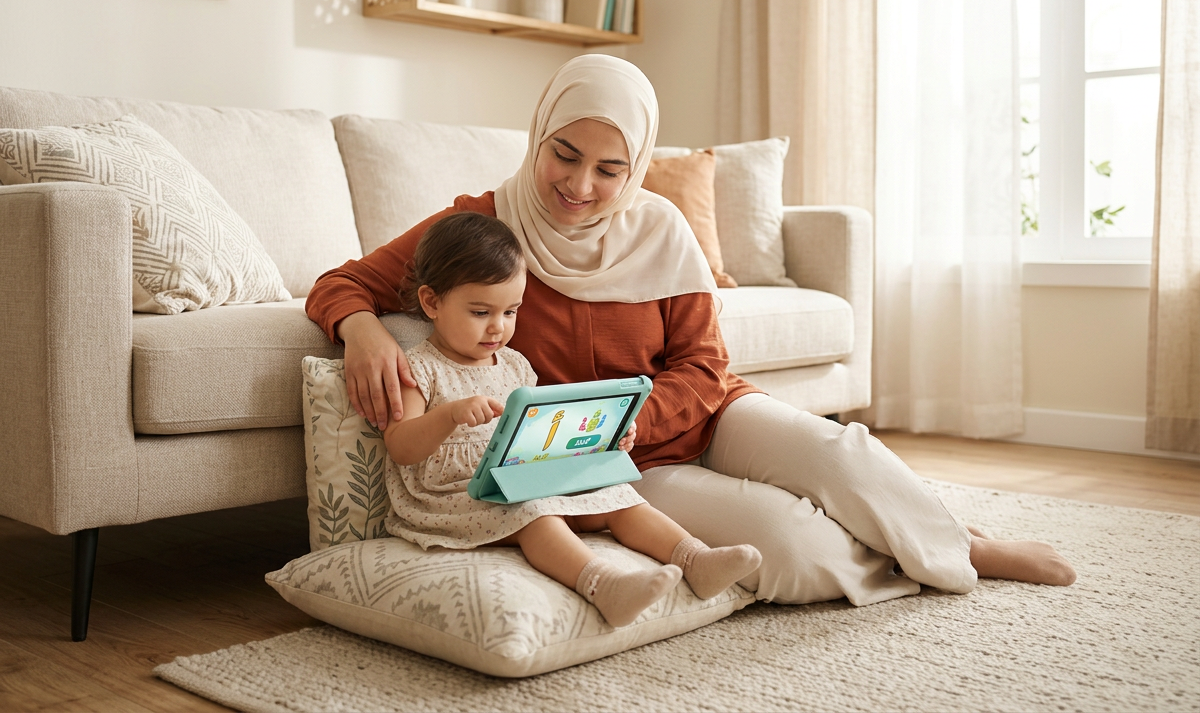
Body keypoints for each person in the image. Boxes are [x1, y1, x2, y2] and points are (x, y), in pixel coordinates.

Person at [307, 53, 1076, 608]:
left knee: (841, 454)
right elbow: (342, 283)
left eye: (611, 168)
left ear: (636, 167)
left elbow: (705, 366)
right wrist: (364, 330)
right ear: (538, 137)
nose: (581, 187)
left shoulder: (662, 229)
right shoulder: (480, 225)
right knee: (790, 552)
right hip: (603, 465)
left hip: (697, 417)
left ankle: (962, 543)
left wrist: (633, 418)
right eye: (565, 156)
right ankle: (908, 551)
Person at [380, 209, 762, 627]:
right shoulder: (419, 368)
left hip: (515, 476)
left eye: (510, 312)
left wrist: (605, 436)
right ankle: (604, 586)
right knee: (535, 512)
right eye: (480, 312)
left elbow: (541, 433)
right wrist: (450, 415)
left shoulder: (515, 365)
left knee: (615, 494)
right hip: (450, 493)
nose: (497, 328)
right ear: (432, 302)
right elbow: (401, 447)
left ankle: (696, 559)